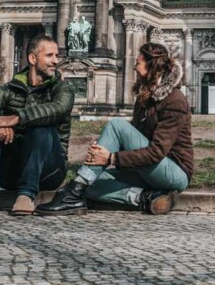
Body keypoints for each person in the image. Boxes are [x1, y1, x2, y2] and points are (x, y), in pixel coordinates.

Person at [38, 42, 192, 217]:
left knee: (117, 125)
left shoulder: (174, 100)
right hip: (148, 169)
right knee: (90, 181)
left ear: (153, 65)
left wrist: (110, 158)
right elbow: (133, 139)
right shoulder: (145, 99)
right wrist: (101, 151)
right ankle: (143, 197)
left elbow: (157, 152)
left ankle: (73, 194)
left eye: (139, 62)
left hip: (174, 172)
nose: (134, 66)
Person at [0, 34, 74, 217]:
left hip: (50, 171)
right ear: (32, 58)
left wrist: (16, 118)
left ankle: (27, 194)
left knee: (40, 124)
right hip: (11, 171)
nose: (56, 61)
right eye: (50, 55)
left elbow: (58, 108)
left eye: (57, 56)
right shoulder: (9, 89)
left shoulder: (62, 89)